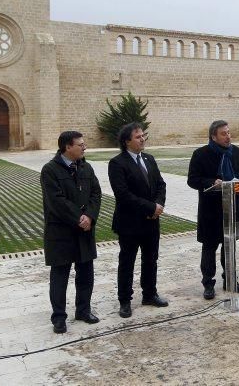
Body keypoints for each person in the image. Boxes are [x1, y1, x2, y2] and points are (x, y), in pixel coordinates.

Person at [40, 131, 101, 334]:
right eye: (80, 145)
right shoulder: (50, 170)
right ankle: (59, 317)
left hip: (84, 230)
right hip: (61, 232)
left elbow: (95, 193)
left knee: (86, 273)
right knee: (60, 276)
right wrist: (79, 218)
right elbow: (56, 201)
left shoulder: (86, 167)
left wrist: (90, 216)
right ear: (67, 147)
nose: (84, 148)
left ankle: (83, 310)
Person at [109, 123, 168, 319]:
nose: (142, 139)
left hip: (151, 221)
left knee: (151, 259)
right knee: (127, 262)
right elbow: (123, 194)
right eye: (137, 137)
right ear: (127, 141)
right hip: (130, 222)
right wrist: (150, 207)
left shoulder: (149, 159)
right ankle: (125, 300)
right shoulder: (117, 163)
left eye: (143, 136)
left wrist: (158, 205)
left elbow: (161, 184)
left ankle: (150, 294)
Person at [187, 120, 239, 300]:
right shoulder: (201, 154)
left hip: (232, 208)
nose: (228, 136)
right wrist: (211, 182)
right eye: (224, 133)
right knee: (209, 247)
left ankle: (230, 279)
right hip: (210, 211)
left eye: (229, 133)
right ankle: (208, 283)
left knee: (229, 246)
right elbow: (192, 180)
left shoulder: (236, 152)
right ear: (213, 136)